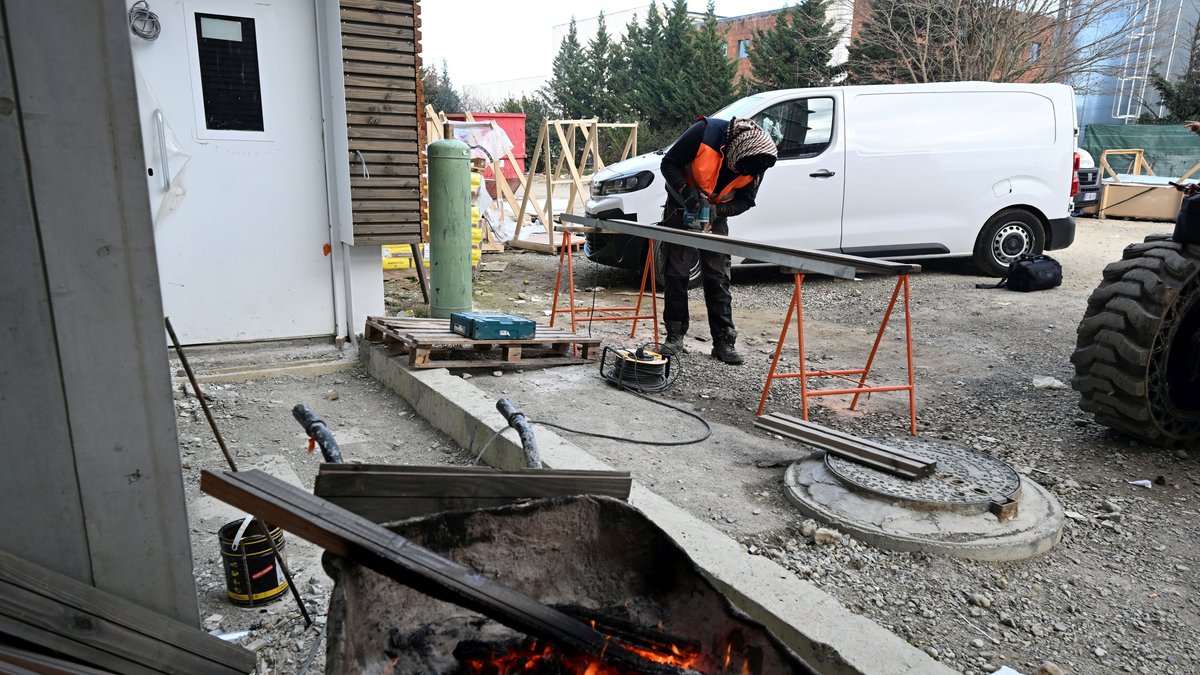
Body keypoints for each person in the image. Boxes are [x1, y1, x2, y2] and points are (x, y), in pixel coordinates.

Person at [657, 117, 778, 365]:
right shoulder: (704, 134)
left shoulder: (757, 160)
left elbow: (746, 200)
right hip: (682, 206)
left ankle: (723, 341)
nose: (746, 175)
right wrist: (687, 193)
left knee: (717, 276)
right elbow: (668, 164)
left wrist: (718, 212)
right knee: (677, 271)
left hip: (716, 212)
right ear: (733, 152)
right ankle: (675, 334)